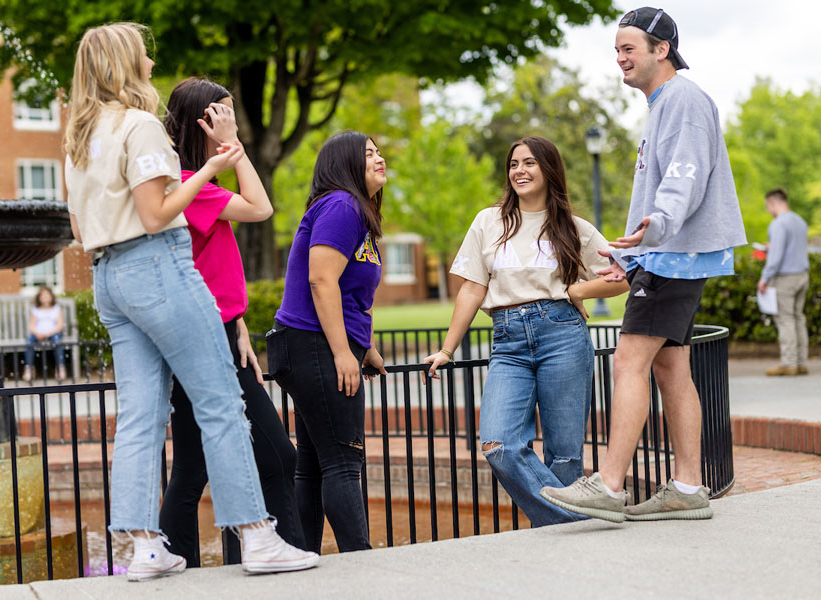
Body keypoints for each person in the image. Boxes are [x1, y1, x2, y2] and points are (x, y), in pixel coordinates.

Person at [62, 23, 318, 580]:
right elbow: (157, 214)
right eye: (144, 56)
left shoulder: (79, 139)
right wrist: (209, 168)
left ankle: (145, 549)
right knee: (221, 403)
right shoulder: (141, 126)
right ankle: (257, 537)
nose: (152, 63)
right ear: (125, 65)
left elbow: (79, 228)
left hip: (108, 276)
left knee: (139, 418)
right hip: (157, 266)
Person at [541, 7, 747, 522]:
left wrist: (653, 230)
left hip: (673, 258)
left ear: (662, 49)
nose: (620, 59)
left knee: (627, 359)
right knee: (670, 367)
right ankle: (687, 486)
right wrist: (632, 253)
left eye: (629, 48)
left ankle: (609, 487)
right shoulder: (665, 105)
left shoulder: (683, 99)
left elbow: (684, 177)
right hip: (667, 255)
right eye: (616, 50)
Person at [422, 136, 628, 527]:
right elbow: (472, 287)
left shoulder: (574, 228)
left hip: (562, 333)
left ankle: (561, 546)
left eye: (530, 163)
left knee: (565, 454)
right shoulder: (488, 221)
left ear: (549, 170)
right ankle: (575, 520)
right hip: (508, 340)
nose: (519, 170)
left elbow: (620, 277)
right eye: (514, 164)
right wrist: (447, 350)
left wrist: (576, 290)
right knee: (498, 444)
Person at [157, 77, 306, 566]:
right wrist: (234, 149)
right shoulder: (186, 185)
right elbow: (261, 208)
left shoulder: (197, 186)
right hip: (206, 336)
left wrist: (238, 320)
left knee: (193, 465)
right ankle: (286, 550)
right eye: (222, 114)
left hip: (219, 329)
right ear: (204, 122)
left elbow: (210, 267)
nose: (231, 123)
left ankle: (177, 563)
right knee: (277, 454)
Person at [266, 131, 387, 553]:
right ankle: (361, 560)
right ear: (345, 164)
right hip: (314, 346)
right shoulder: (342, 204)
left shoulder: (356, 211)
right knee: (342, 460)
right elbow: (321, 280)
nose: (379, 158)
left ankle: (301, 556)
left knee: (316, 463)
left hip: (314, 345)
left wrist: (363, 345)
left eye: (378, 151)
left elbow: (350, 292)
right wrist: (341, 352)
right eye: (368, 153)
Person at [758, 188, 810, 376]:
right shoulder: (800, 221)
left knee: (785, 320)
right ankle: (801, 362)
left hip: (785, 278)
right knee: (798, 318)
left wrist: (764, 278)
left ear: (773, 203)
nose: (768, 210)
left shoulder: (779, 224)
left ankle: (789, 363)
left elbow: (777, 256)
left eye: (767, 206)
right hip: (802, 275)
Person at [22, 286, 67, 382]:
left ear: (51, 296)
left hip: (53, 333)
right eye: (43, 295)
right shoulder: (36, 309)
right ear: (39, 297)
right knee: (29, 341)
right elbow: (31, 326)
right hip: (38, 334)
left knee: (57, 341)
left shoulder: (56, 309)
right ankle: (29, 368)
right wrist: (37, 333)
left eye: (47, 295)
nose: (45, 297)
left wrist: (49, 333)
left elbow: (60, 325)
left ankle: (60, 368)